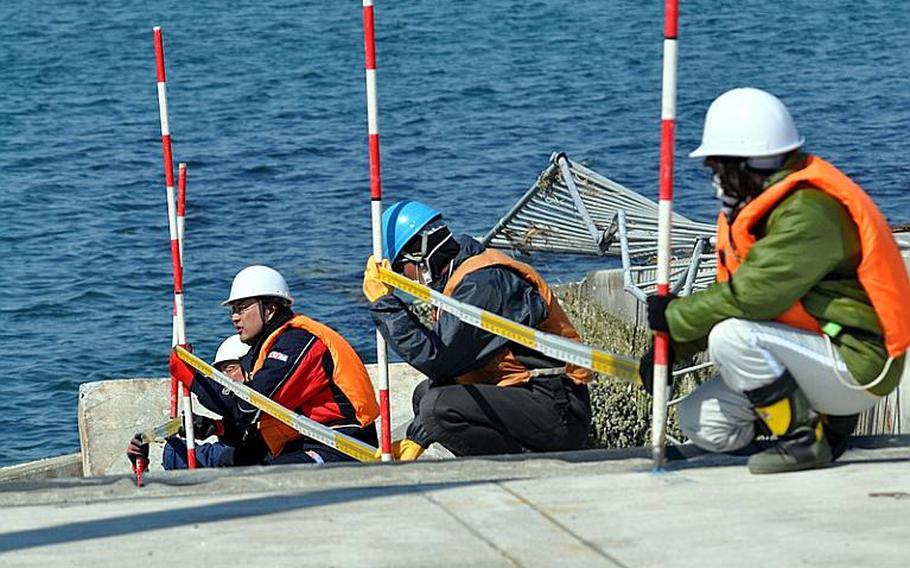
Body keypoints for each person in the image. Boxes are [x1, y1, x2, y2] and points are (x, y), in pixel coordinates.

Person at [640, 87, 910, 474]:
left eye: (718, 167)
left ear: (746, 164)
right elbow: (731, 293)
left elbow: (751, 297)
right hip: (814, 351)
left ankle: (804, 442)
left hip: (856, 362)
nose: (715, 179)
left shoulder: (809, 212)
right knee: (701, 420)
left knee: (731, 337)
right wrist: (670, 351)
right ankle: (818, 423)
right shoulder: (758, 208)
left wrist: (676, 317)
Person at [362, 200, 593, 459]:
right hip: (523, 395)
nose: (404, 278)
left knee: (436, 408)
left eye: (399, 269)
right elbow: (451, 369)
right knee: (426, 394)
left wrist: (384, 305)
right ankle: (495, 460)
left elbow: (436, 358)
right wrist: (417, 437)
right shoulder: (460, 277)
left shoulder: (484, 285)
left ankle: (522, 463)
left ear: (419, 255)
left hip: (557, 407)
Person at [169, 265, 380, 465]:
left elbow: (247, 407)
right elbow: (258, 420)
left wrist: (193, 378)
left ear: (270, 309)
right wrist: (218, 428)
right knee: (231, 463)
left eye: (241, 308)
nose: (234, 317)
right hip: (302, 438)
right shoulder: (265, 348)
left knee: (266, 479)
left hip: (342, 444)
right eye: (233, 309)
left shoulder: (297, 343)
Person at [161, 334, 250, 469]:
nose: (225, 378)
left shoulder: (263, 398)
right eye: (221, 373)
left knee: (179, 456)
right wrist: (215, 427)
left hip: (263, 461)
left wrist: (193, 380)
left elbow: (251, 432)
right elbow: (242, 432)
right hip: (243, 452)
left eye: (230, 369)